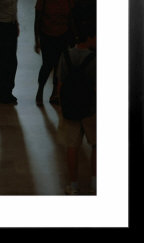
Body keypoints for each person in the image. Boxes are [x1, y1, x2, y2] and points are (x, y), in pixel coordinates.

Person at [57, 20, 96, 195]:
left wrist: (62, 107)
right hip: (91, 109)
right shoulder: (95, 59)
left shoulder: (66, 55)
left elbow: (60, 83)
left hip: (70, 108)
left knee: (72, 147)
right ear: (90, 38)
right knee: (96, 145)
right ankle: (95, 182)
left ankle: (73, 184)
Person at [34, 0, 74, 106]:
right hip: (47, 36)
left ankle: (54, 93)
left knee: (59, 66)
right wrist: (37, 40)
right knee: (47, 65)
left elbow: (71, 19)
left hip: (63, 37)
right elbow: (37, 21)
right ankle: (40, 89)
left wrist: (72, 37)